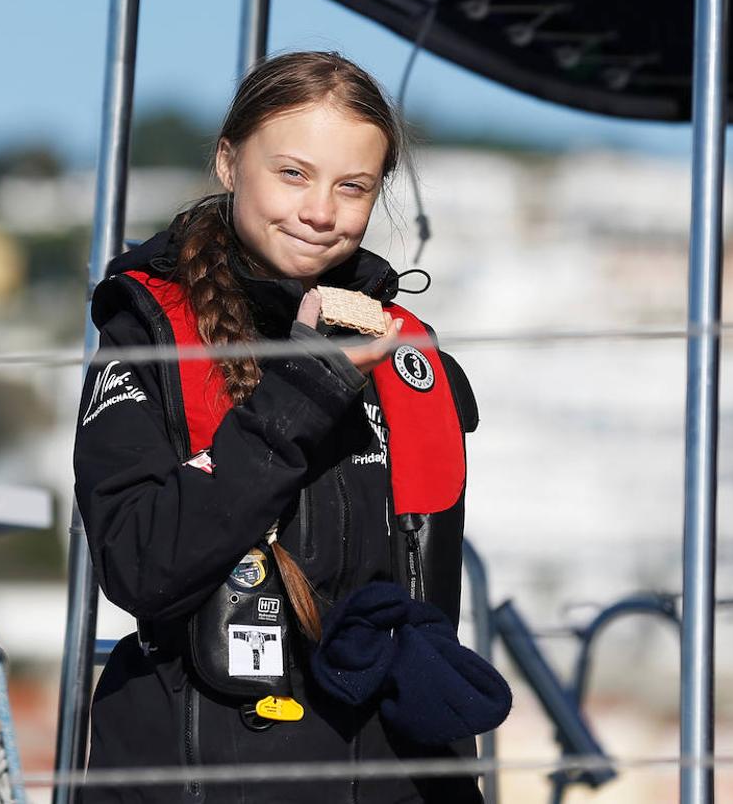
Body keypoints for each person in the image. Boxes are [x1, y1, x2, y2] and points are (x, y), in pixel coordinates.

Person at [74, 51, 487, 803]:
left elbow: (424, 611)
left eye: (351, 186)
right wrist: (306, 384)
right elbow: (138, 567)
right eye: (291, 174)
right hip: (201, 771)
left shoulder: (406, 357)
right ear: (229, 162)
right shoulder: (145, 336)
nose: (319, 211)